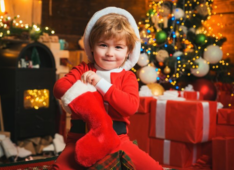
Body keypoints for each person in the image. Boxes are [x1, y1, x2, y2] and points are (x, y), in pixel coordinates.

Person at [52, 7, 163, 170]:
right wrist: (87, 97)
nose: (110, 53)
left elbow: (131, 107)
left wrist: (101, 84)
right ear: (91, 47)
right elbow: (59, 88)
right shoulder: (83, 69)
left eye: (118, 47)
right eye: (103, 45)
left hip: (117, 140)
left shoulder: (127, 77)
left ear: (128, 52)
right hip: (79, 137)